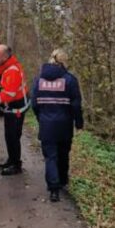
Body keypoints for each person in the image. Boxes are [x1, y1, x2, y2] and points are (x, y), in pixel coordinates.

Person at [31, 49, 83, 202]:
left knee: (50, 157)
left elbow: (34, 103)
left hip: (46, 124)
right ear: (64, 62)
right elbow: (76, 105)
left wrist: (41, 118)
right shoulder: (70, 80)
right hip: (64, 125)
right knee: (63, 153)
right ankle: (62, 181)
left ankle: (53, 189)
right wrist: (78, 123)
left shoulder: (39, 80)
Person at [0, 45, 30, 175]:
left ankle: (16, 165)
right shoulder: (6, 66)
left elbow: (9, 94)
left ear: (5, 57)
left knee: (13, 137)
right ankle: (11, 160)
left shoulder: (12, 70)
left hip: (17, 109)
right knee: (9, 136)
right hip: (13, 107)